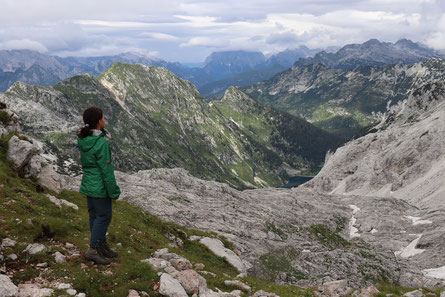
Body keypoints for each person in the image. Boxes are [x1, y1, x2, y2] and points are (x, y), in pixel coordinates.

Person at [77, 106, 121, 265]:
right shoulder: (101, 142)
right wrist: (114, 191)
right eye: (103, 118)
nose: (105, 120)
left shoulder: (84, 139)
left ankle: (101, 245)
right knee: (104, 216)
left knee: (95, 216)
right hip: (100, 187)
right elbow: (106, 170)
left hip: (89, 184)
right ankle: (93, 249)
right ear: (98, 121)